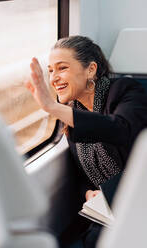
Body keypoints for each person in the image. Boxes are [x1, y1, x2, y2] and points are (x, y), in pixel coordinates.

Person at [25, 35, 147, 247]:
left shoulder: (126, 90)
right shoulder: (73, 114)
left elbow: (120, 129)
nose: (53, 78)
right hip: (106, 208)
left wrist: (51, 107)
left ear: (90, 69)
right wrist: (88, 193)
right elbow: (84, 176)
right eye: (51, 70)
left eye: (62, 68)